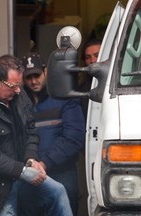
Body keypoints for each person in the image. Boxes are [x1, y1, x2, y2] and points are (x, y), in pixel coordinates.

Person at [0, 54, 73, 216]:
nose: (18, 90)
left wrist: (31, 158)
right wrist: (23, 171)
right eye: (13, 86)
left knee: (57, 191)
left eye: (19, 85)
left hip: (21, 172)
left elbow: (31, 130)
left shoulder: (18, 94)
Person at [21, 52, 85, 216]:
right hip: (29, 174)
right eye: (29, 77)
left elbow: (74, 137)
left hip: (61, 171)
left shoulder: (64, 98)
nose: (34, 81)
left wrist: (44, 163)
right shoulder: (20, 103)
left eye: (37, 75)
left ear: (46, 71)